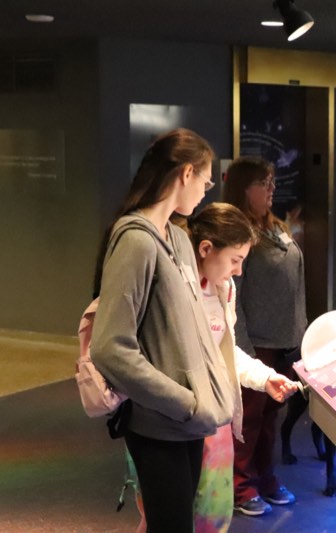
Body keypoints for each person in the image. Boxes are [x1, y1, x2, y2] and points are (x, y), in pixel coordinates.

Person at [90, 128, 235, 532]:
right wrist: (185, 402)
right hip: (160, 425)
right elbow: (110, 348)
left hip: (187, 424)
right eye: (205, 181)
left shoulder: (178, 239)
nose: (206, 191)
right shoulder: (136, 241)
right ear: (186, 173)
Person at [128, 202, 300, 533]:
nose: (238, 271)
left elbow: (221, 353)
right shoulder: (165, 285)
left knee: (211, 513)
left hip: (211, 418)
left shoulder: (224, 289)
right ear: (206, 248)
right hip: (167, 417)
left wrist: (263, 377)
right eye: (235, 260)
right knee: (165, 515)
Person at [222, 156, 308, 516]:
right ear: (244, 189)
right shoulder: (237, 233)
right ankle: (240, 486)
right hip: (254, 341)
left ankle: (264, 476)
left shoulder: (275, 227)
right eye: (264, 183)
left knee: (272, 414)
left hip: (284, 337)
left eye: (273, 181)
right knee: (250, 417)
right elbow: (232, 294)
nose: (272, 189)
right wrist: (242, 344)